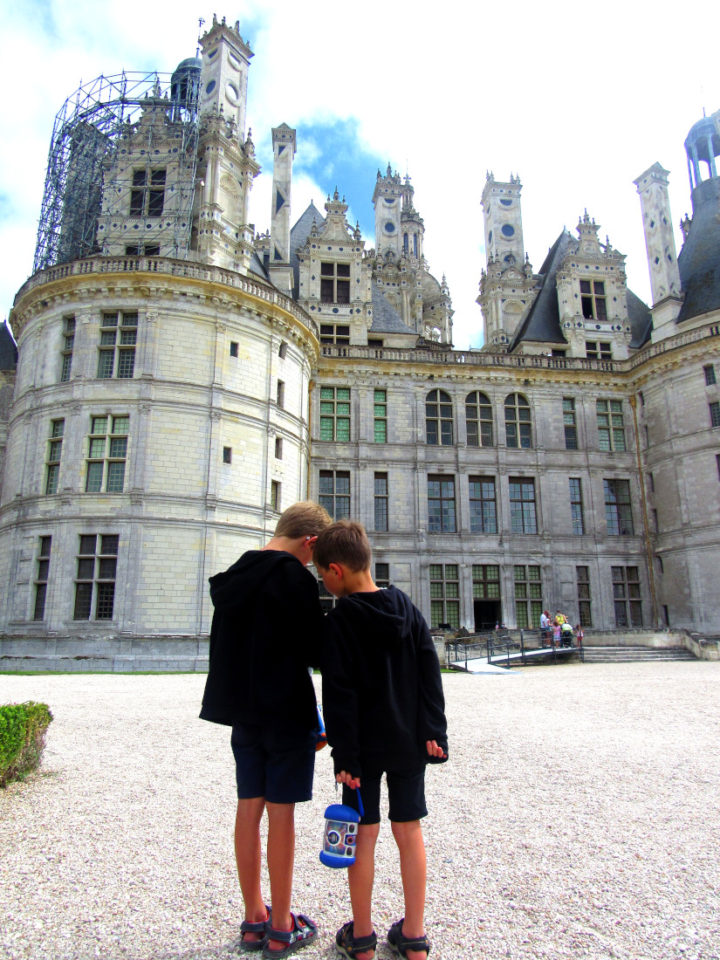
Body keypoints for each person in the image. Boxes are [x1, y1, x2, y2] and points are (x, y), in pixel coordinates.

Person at [200, 501, 331, 957]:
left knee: (247, 808)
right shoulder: (292, 576)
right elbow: (314, 649)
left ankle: (254, 917)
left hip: (244, 715)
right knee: (281, 815)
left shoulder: (236, 573)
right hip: (285, 715)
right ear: (310, 541)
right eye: (316, 554)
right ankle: (281, 926)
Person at [315, 520, 448, 960]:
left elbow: (340, 696)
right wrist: (433, 729)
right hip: (409, 741)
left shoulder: (341, 622)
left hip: (363, 752)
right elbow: (430, 671)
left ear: (335, 571)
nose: (324, 585)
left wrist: (344, 755)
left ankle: (364, 937)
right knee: (409, 831)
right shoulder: (405, 607)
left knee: (364, 834)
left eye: (322, 577)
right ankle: (413, 935)